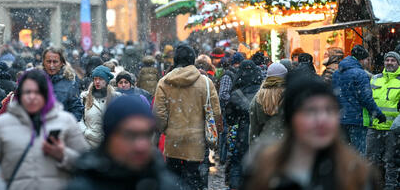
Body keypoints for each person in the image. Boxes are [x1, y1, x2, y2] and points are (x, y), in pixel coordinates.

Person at [240, 73, 379, 190]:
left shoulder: (357, 174)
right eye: (310, 111)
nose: (322, 119)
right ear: (291, 118)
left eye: (329, 110)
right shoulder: (263, 171)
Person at [0, 69, 88, 190]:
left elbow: (86, 164)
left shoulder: (66, 121)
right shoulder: (3, 124)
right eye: (27, 92)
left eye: (38, 92)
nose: (32, 97)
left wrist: (63, 155)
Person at [66, 95, 179, 189]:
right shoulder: (84, 185)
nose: (141, 146)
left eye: (147, 134)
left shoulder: (165, 184)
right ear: (109, 137)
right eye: (130, 135)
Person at [153, 44, 222, 189]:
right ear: (193, 60)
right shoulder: (205, 82)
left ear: (175, 60)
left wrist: (167, 130)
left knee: (174, 181)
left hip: (173, 142)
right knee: (195, 181)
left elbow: (159, 115)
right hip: (197, 143)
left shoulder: (164, 83)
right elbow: (216, 113)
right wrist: (216, 134)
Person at [332, 45, 383, 155]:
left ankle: (343, 172)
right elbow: (366, 98)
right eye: (367, 60)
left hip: (340, 119)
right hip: (357, 120)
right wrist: (378, 114)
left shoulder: (336, 73)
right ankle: (356, 172)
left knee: (343, 154)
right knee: (358, 155)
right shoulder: (360, 74)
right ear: (362, 59)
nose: (368, 63)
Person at [224, 60, 263, 189]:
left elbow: (230, 119)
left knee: (237, 165)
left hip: (242, 136)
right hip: (261, 136)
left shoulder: (236, 95)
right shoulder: (264, 94)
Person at [365, 51, 400, 190]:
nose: (389, 63)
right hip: (374, 127)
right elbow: (367, 99)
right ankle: (374, 185)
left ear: (398, 63)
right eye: (387, 60)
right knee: (371, 160)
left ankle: (390, 187)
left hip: (393, 129)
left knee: (391, 161)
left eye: (393, 60)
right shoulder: (375, 79)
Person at [79, 65, 121, 148]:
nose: (97, 82)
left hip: (110, 145)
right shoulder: (84, 97)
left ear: (106, 81)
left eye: (101, 79)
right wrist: (85, 132)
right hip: (88, 143)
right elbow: (78, 118)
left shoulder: (116, 97)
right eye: (95, 79)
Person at [249, 63, 288, 147]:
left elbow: (254, 130)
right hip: (286, 146)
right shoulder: (290, 95)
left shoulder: (258, 97)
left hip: (264, 146)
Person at [41, 47, 84, 120]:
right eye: (48, 61)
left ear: (62, 63)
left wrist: (67, 125)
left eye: (55, 62)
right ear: (43, 62)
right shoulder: (35, 81)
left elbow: (76, 108)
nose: (51, 65)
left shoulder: (70, 83)